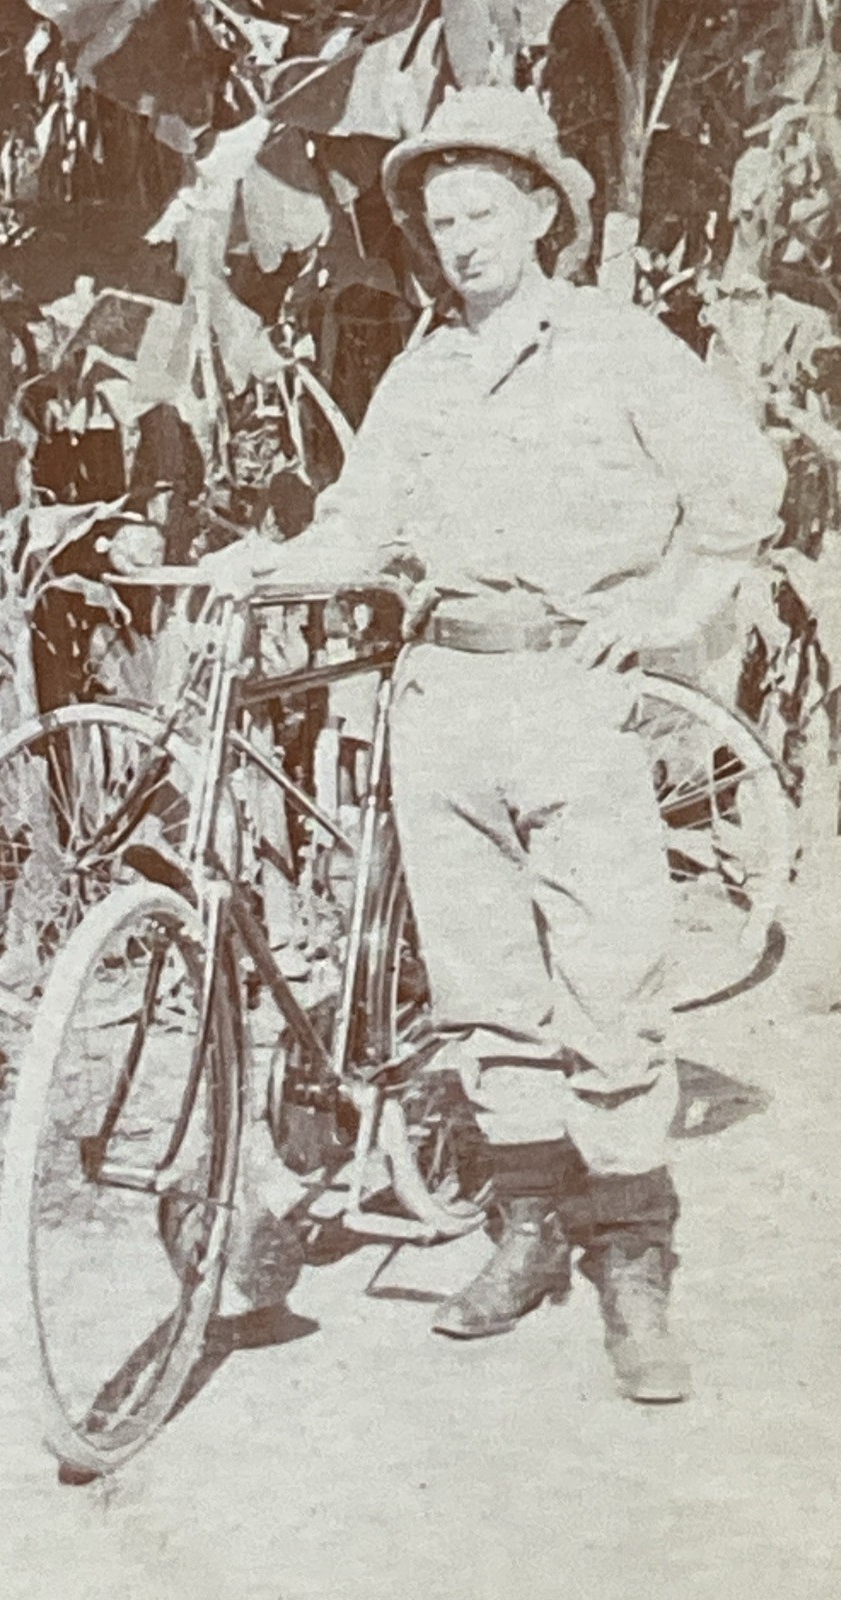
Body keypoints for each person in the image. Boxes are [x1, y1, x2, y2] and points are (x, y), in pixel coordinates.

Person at [203, 86, 786, 1402]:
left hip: (569, 705)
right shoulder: (425, 368)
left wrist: (659, 616)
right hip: (441, 703)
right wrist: (270, 566)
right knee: (484, 996)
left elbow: (742, 494)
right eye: (440, 217)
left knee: (608, 983)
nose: (461, 236)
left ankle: (633, 1266)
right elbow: (364, 526)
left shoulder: (619, 347)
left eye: (484, 209)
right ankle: (526, 1233)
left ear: (541, 211)